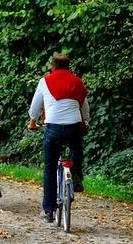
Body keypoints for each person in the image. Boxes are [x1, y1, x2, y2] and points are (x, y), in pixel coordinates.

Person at [27, 54, 89, 223]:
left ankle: (48, 210)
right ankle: (76, 176)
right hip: (74, 126)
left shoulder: (44, 81)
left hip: (53, 128)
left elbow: (34, 108)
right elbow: (84, 106)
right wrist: (86, 122)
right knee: (76, 147)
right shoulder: (77, 81)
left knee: (50, 167)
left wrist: (33, 122)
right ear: (69, 66)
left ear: (52, 66)